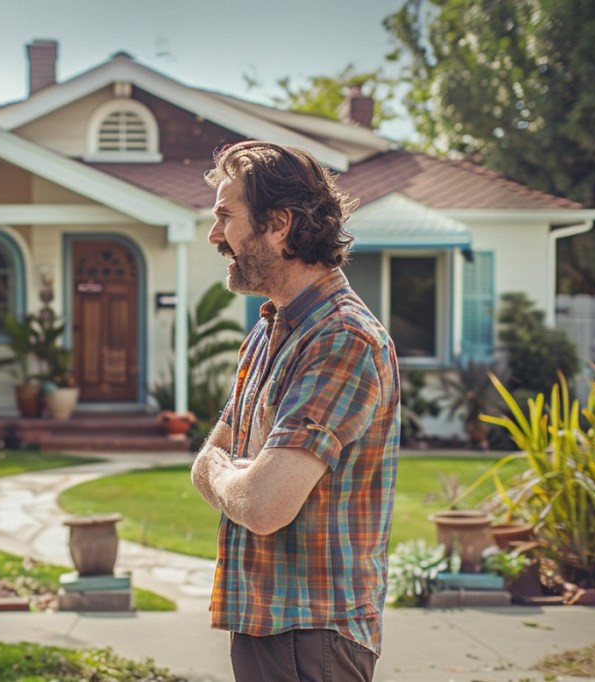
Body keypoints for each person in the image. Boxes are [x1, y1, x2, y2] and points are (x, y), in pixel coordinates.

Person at [191, 141, 401, 682]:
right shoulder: (269, 330)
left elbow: (264, 505)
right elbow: (216, 465)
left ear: (279, 224)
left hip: (312, 637)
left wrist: (221, 468)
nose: (215, 235)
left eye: (225, 216)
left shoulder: (341, 338)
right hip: (268, 626)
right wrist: (227, 470)